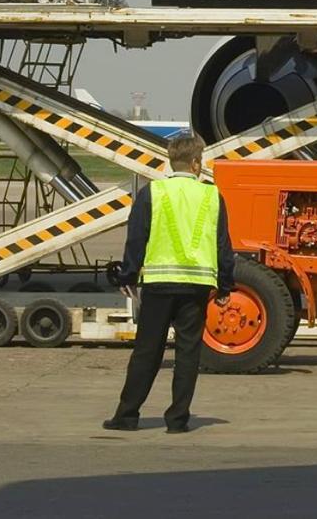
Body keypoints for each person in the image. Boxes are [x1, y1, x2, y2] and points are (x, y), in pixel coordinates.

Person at [104, 131, 236, 434]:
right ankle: (177, 420)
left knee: (147, 351)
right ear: (196, 163)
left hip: (159, 284)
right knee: (188, 354)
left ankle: (127, 416)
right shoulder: (212, 195)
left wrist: (128, 276)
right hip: (197, 286)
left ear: (170, 160)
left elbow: (136, 239)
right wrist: (226, 286)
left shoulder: (153, 193)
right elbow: (223, 247)